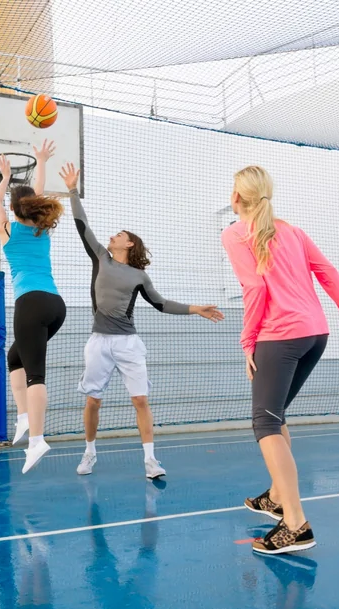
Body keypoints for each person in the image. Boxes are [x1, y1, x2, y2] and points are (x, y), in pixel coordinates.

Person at [221, 165, 339, 555]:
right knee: (276, 415)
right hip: (315, 335)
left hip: (280, 337)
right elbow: (329, 273)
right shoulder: (293, 232)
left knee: (265, 422)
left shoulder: (235, 233)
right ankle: (276, 496)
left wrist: (248, 339)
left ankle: (296, 524)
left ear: (236, 198)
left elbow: (254, 288)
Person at [57, 163, 224, 480]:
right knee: (93, 400)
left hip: (128, 343)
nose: (112, 235)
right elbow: (82, 225)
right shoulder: (101, 258)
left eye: (118, 234)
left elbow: (160, 304)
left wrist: (196, 308)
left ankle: (150, 461)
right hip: (98, 342)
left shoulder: (139, 276)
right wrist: (72, 190)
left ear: (129, 243)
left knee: (141, 400)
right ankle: (89, 452)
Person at [0, 141, 66, 474]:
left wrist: (4, 179)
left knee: (35, 375)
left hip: (31, 304)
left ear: (12, 208)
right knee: (14, 358)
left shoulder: (7, 231)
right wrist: (40, 161)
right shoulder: (40, 228)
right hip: (55, 306)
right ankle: (24, 419)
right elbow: (33, 196)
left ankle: (37, 440)